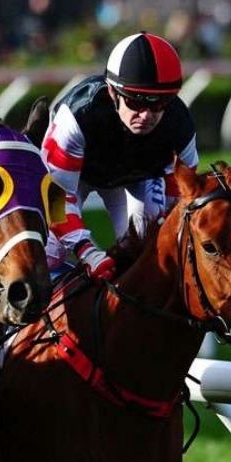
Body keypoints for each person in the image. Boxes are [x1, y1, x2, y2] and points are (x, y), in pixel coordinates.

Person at [41, 31, 197, 279]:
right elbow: (55, 199)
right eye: (135, 102)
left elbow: (182, 200)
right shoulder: (77, 116)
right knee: (49, 254)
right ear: (113, 93)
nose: (146, 115)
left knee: (149, 252)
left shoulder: (180, 125)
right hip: (77, 179)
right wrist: (88, 252)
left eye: (158, 104)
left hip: (139, 178)